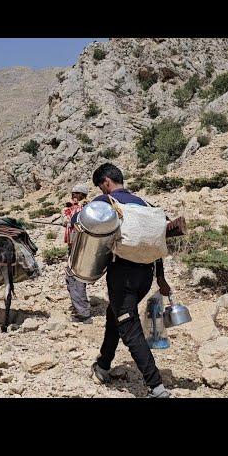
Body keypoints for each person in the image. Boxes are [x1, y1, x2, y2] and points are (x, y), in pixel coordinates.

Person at [75, 163, 172, 398]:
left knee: (128, 326)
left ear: (106, 182)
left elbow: (78, 222)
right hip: (146, 275)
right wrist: (161, 278)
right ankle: (103, 365)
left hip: (123, 276)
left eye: (101, 185)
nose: (102, 189)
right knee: (115, 315)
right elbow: (152, 243)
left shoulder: (108, 202)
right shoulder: (144, 204)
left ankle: (156, 387)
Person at [62, 183, 92, 324]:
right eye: (73, 193)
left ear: (83, 195)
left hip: (81, 247)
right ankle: (80, 309)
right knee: (71, 278)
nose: (74, 195)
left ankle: (83, 314)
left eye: (78, 193)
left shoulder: (86, 208)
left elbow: (84, 225)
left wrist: (71, 223)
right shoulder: (71, 208)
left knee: (75, 278)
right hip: (73, 246)